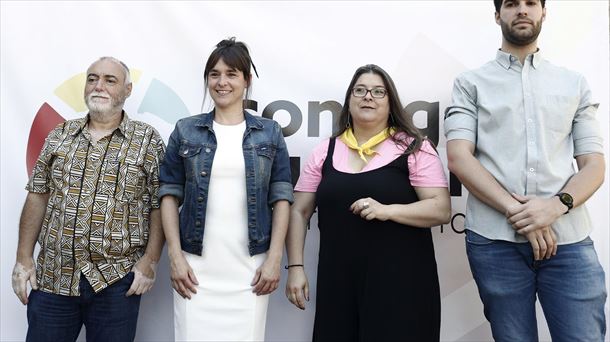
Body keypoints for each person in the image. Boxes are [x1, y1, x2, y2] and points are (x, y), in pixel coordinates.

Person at [444, 0, 607, 340]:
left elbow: (594, 165)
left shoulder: (573, 83)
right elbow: (459, 158)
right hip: (495, 242)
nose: (522, 10)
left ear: (543, 12)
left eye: (531, 3)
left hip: (569, 240)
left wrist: (554, 206)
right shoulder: (470, 83)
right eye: (512, 3)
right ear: (497, 14)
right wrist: (521, 213)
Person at [286, 64, 451, 341]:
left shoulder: (414, 147)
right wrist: (296, 268)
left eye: (378, 92)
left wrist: (386, 211)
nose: (368, 97)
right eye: (360, 90)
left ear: (390, 102)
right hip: (338, 282)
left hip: (401, 283)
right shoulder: (325, 151)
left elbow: (441, 208)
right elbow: (299, 212)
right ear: (349, 101)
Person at [12, 56, 166, 342]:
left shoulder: (147, 140)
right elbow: (38, 196)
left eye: (110, 80)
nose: (99, 86)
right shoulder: (60, 134)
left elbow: (160, 203)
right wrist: (23, 258)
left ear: (128, 90)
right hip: (54, 277)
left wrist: (151, 260)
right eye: (93, 78)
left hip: (116, 280)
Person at [159, 37, 293, 341]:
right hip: (195, 265)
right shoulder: (185, 129)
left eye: (232, 74)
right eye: (214, 74)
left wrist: (273, 259)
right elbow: (168, 194)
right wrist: (176, 256)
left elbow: (282, 198)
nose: (222, 82)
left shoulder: (269, 133)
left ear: (246, 81)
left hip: (250, 267)